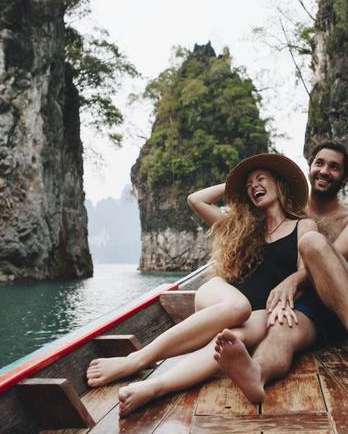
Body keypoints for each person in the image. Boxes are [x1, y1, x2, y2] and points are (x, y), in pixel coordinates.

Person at [84, 153, 317, 415]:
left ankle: (155, 387)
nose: (254, 186)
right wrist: (234, 187)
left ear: (280, 184)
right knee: (238, 307)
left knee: (230, 341)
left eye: (261, 179)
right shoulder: (242, 227)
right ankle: (134, 361)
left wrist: (289, 286)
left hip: (262, 310)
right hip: (221, 297)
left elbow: (306, 271)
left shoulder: (303, 225)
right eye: (249, 184)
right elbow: (196, 199)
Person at [212, 141, 348, 404]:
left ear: (345, 178)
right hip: (309, 303)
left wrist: (292, 280)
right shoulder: (289, 213)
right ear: (309, 168)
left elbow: (328, 258)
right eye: (319, 163)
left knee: (312, 242)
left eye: (334, 167)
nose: (325, 171)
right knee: (280, 327)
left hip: (345, 294)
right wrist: (241, 187)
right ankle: (257, 373)